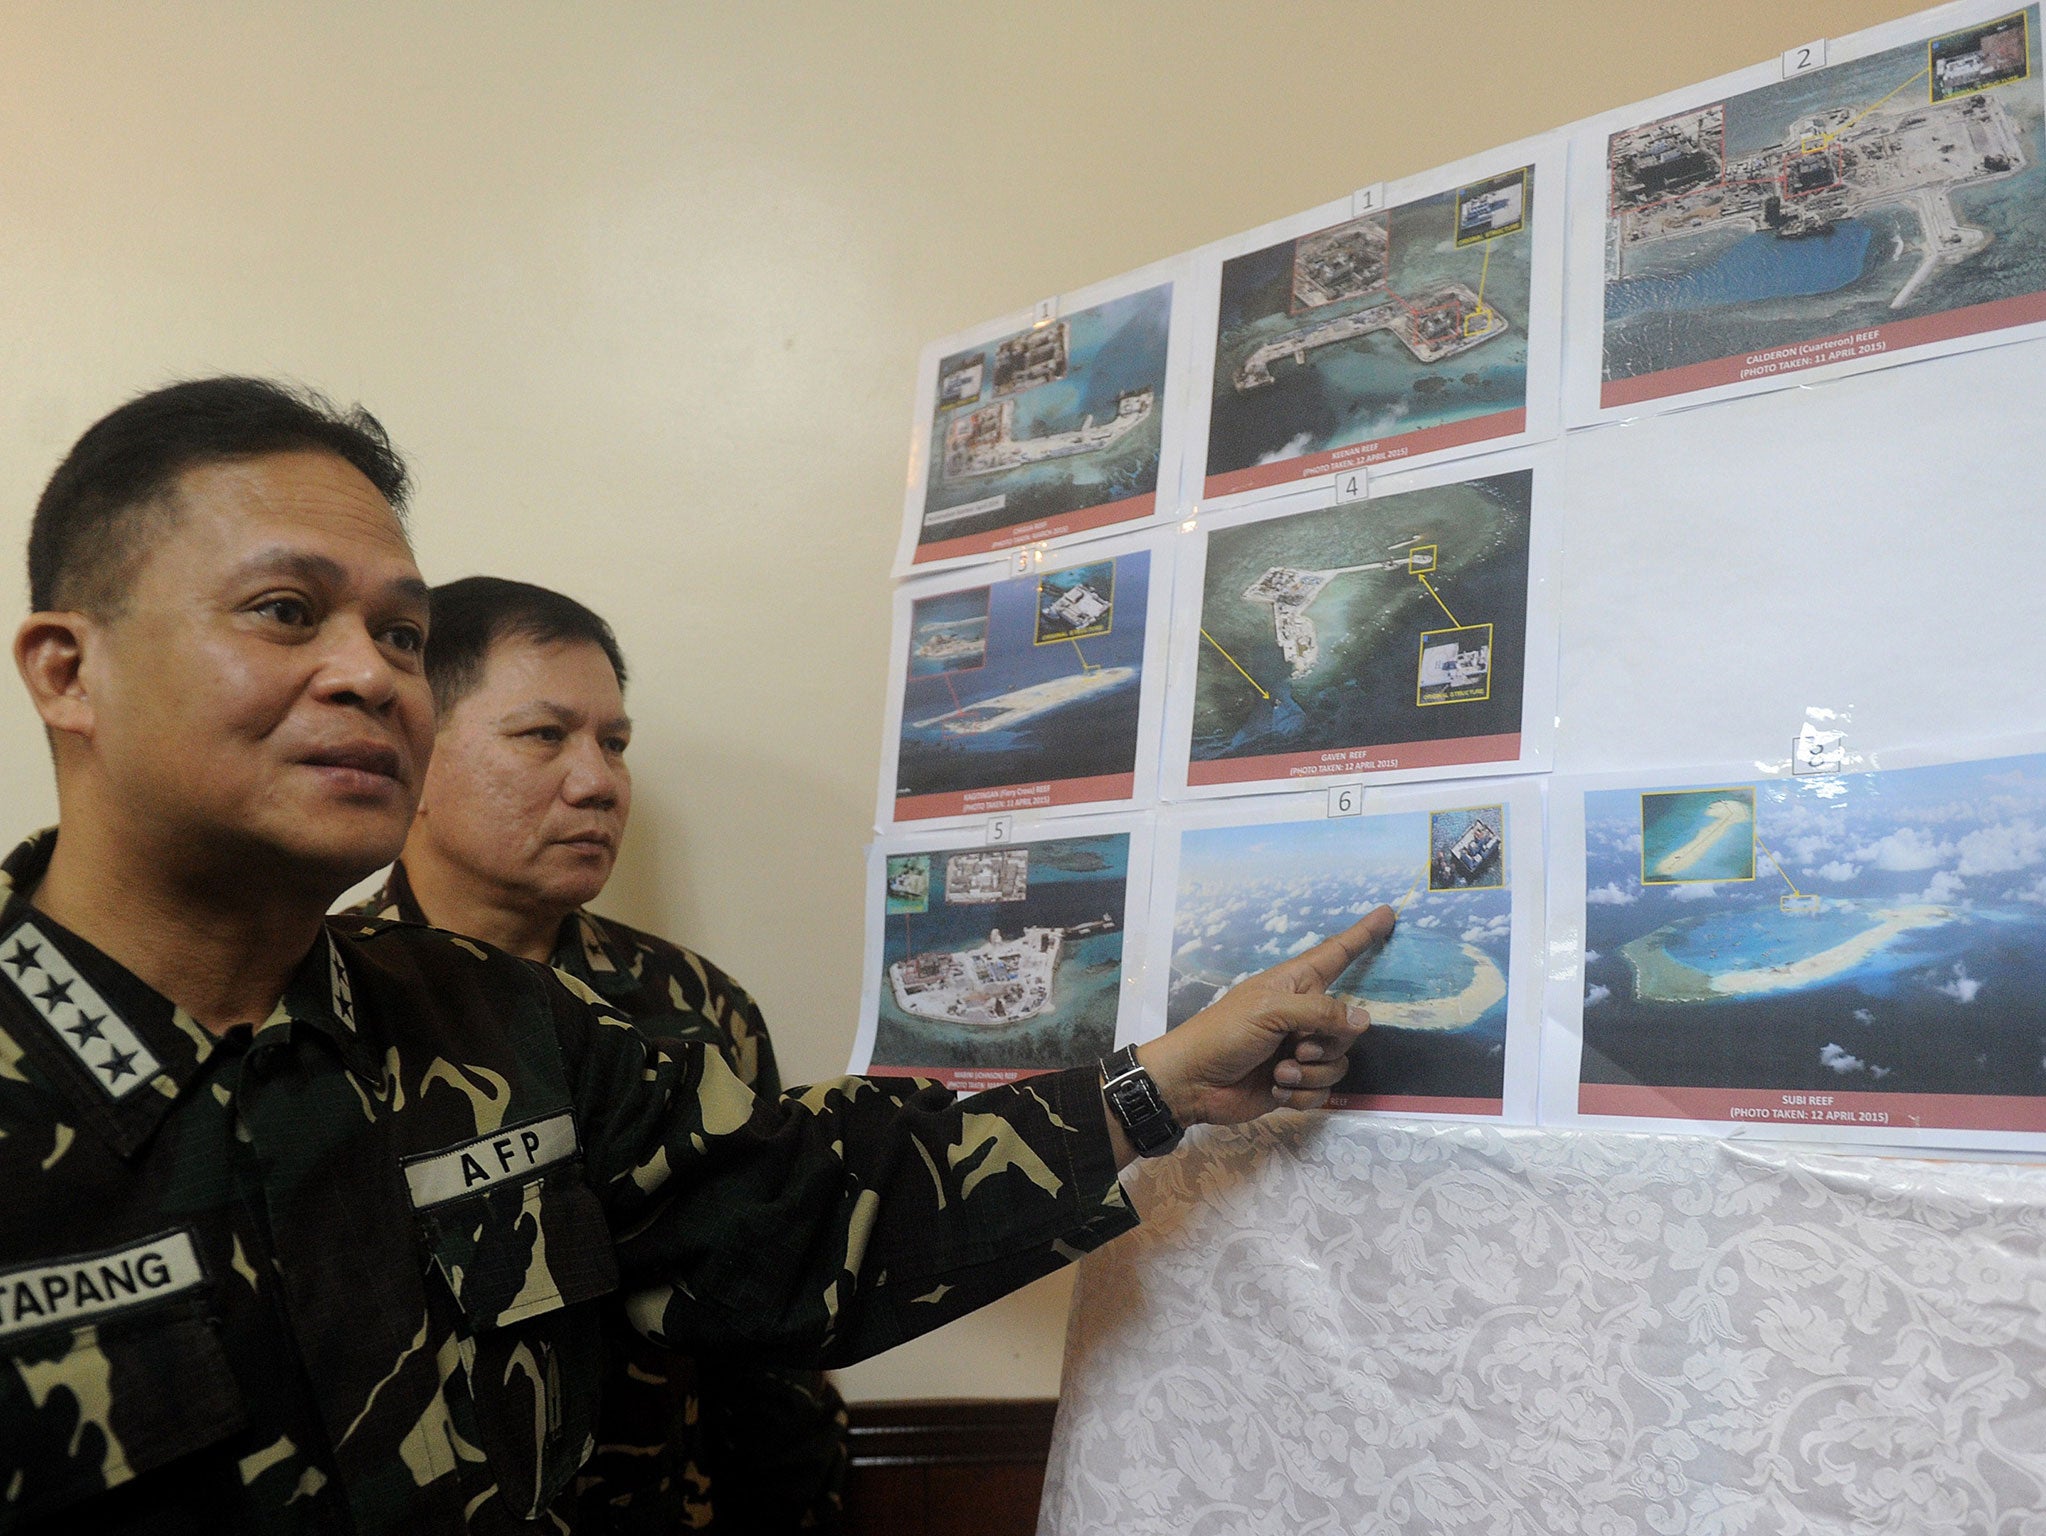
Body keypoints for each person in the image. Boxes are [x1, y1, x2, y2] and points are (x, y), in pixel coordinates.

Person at [0, 377, 1392, 1534]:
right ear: (69, 671)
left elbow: (803, 1220)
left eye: (402, 635)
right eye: (286, 612)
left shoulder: (496, 1029)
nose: (370, 674)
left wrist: (1157, 1086)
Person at [352, 575, 847, 1533]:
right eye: (545, 736)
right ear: (411, 750)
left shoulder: (694, 1006)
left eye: (613, 743)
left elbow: (771, 1322)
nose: (598, 781)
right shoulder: (327, 1006)